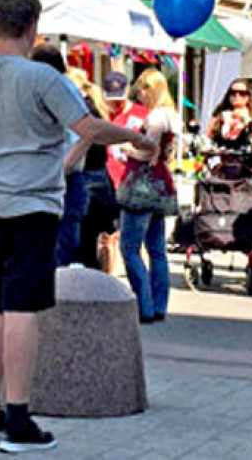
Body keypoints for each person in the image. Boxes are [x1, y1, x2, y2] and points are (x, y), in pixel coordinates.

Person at [0, 0, 157, 453]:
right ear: (33, 28)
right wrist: (135, 138)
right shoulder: (42, 79)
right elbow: (89, 128)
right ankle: (18, 417)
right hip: (31, 204)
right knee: (22, 309)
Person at [118, 68, 181, 324]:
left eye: (143, 89)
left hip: (143, 185)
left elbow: (149, 153)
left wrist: (125, 147)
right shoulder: (173, 115)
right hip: (162, 184)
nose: (139, 95)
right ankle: (158, 304)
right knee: (157, 250)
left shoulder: (156, 117)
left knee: (130, 247)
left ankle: (143, 304)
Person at [29, 45, 90, 269]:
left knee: (59, 254)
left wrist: (65, 164)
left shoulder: (62, 90)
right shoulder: (60, 89)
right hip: (55, 179)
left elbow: (86, 134)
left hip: (63, 179)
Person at [67, 68, 116, 269]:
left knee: (82, 245)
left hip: (87, 177)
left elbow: (83, 140)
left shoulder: (81, 110)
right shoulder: (96, 108)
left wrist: (67, 165)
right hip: (101, 178)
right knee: (95, 240)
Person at [105, 71, 149, 187]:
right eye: (112, 98)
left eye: (120, 98)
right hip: (109, 179)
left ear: (127, 91)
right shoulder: (103, 115)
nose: (116, 102)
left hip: (134, 179)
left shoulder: (143, 114)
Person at [207, 79, 252, 149]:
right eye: (233, 93)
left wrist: (245, 120)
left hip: (249, 158)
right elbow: (207, 143)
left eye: (242, 93)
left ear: (248, 96)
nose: (237, 96)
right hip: (224, 158)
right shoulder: (219, 117)